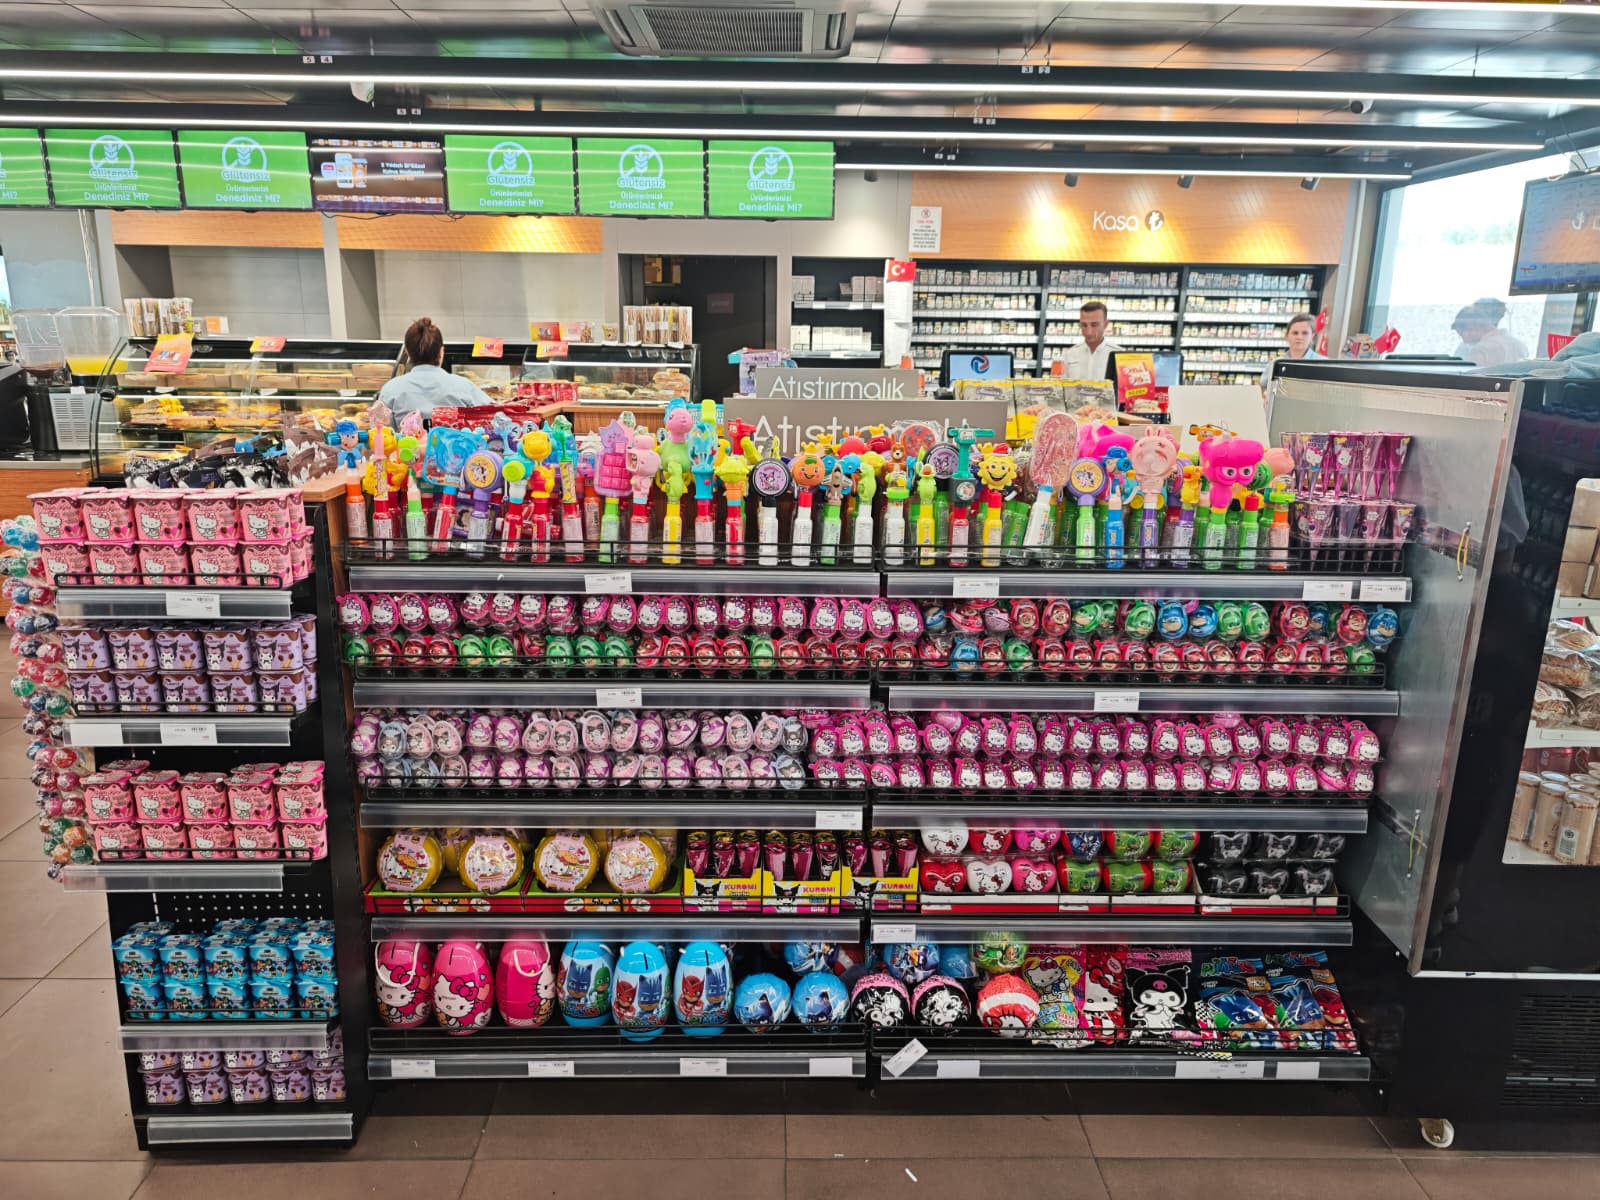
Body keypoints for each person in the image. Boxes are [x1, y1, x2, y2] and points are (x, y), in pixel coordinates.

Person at [376, 316, 492, 424]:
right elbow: (494, 418)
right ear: (441, 351)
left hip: (407, 441)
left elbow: (380, 432)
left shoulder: (391, 389)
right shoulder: (464, 387)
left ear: (408, 353)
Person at [1260, 312, 1324, 396]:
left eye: (1305, 333)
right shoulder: (1276, 363)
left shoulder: (1323, 363)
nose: (1299, 337)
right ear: (1287, 336)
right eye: (1295, 333)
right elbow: (1262, 386)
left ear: (1312, 336)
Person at [1451, 299, 1528, 368]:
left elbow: (1469, 378)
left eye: (1461, 335)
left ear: (1471, 327)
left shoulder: (1480, 350)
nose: (1464, 341)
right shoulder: (1519, 345)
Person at [1059, 300, 1122, 380]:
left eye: (1094, 325)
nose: (1089, 332)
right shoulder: (1069, 355)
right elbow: (1061, 384)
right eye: (1084, 325)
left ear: (1105, 324)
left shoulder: (1120, 355)